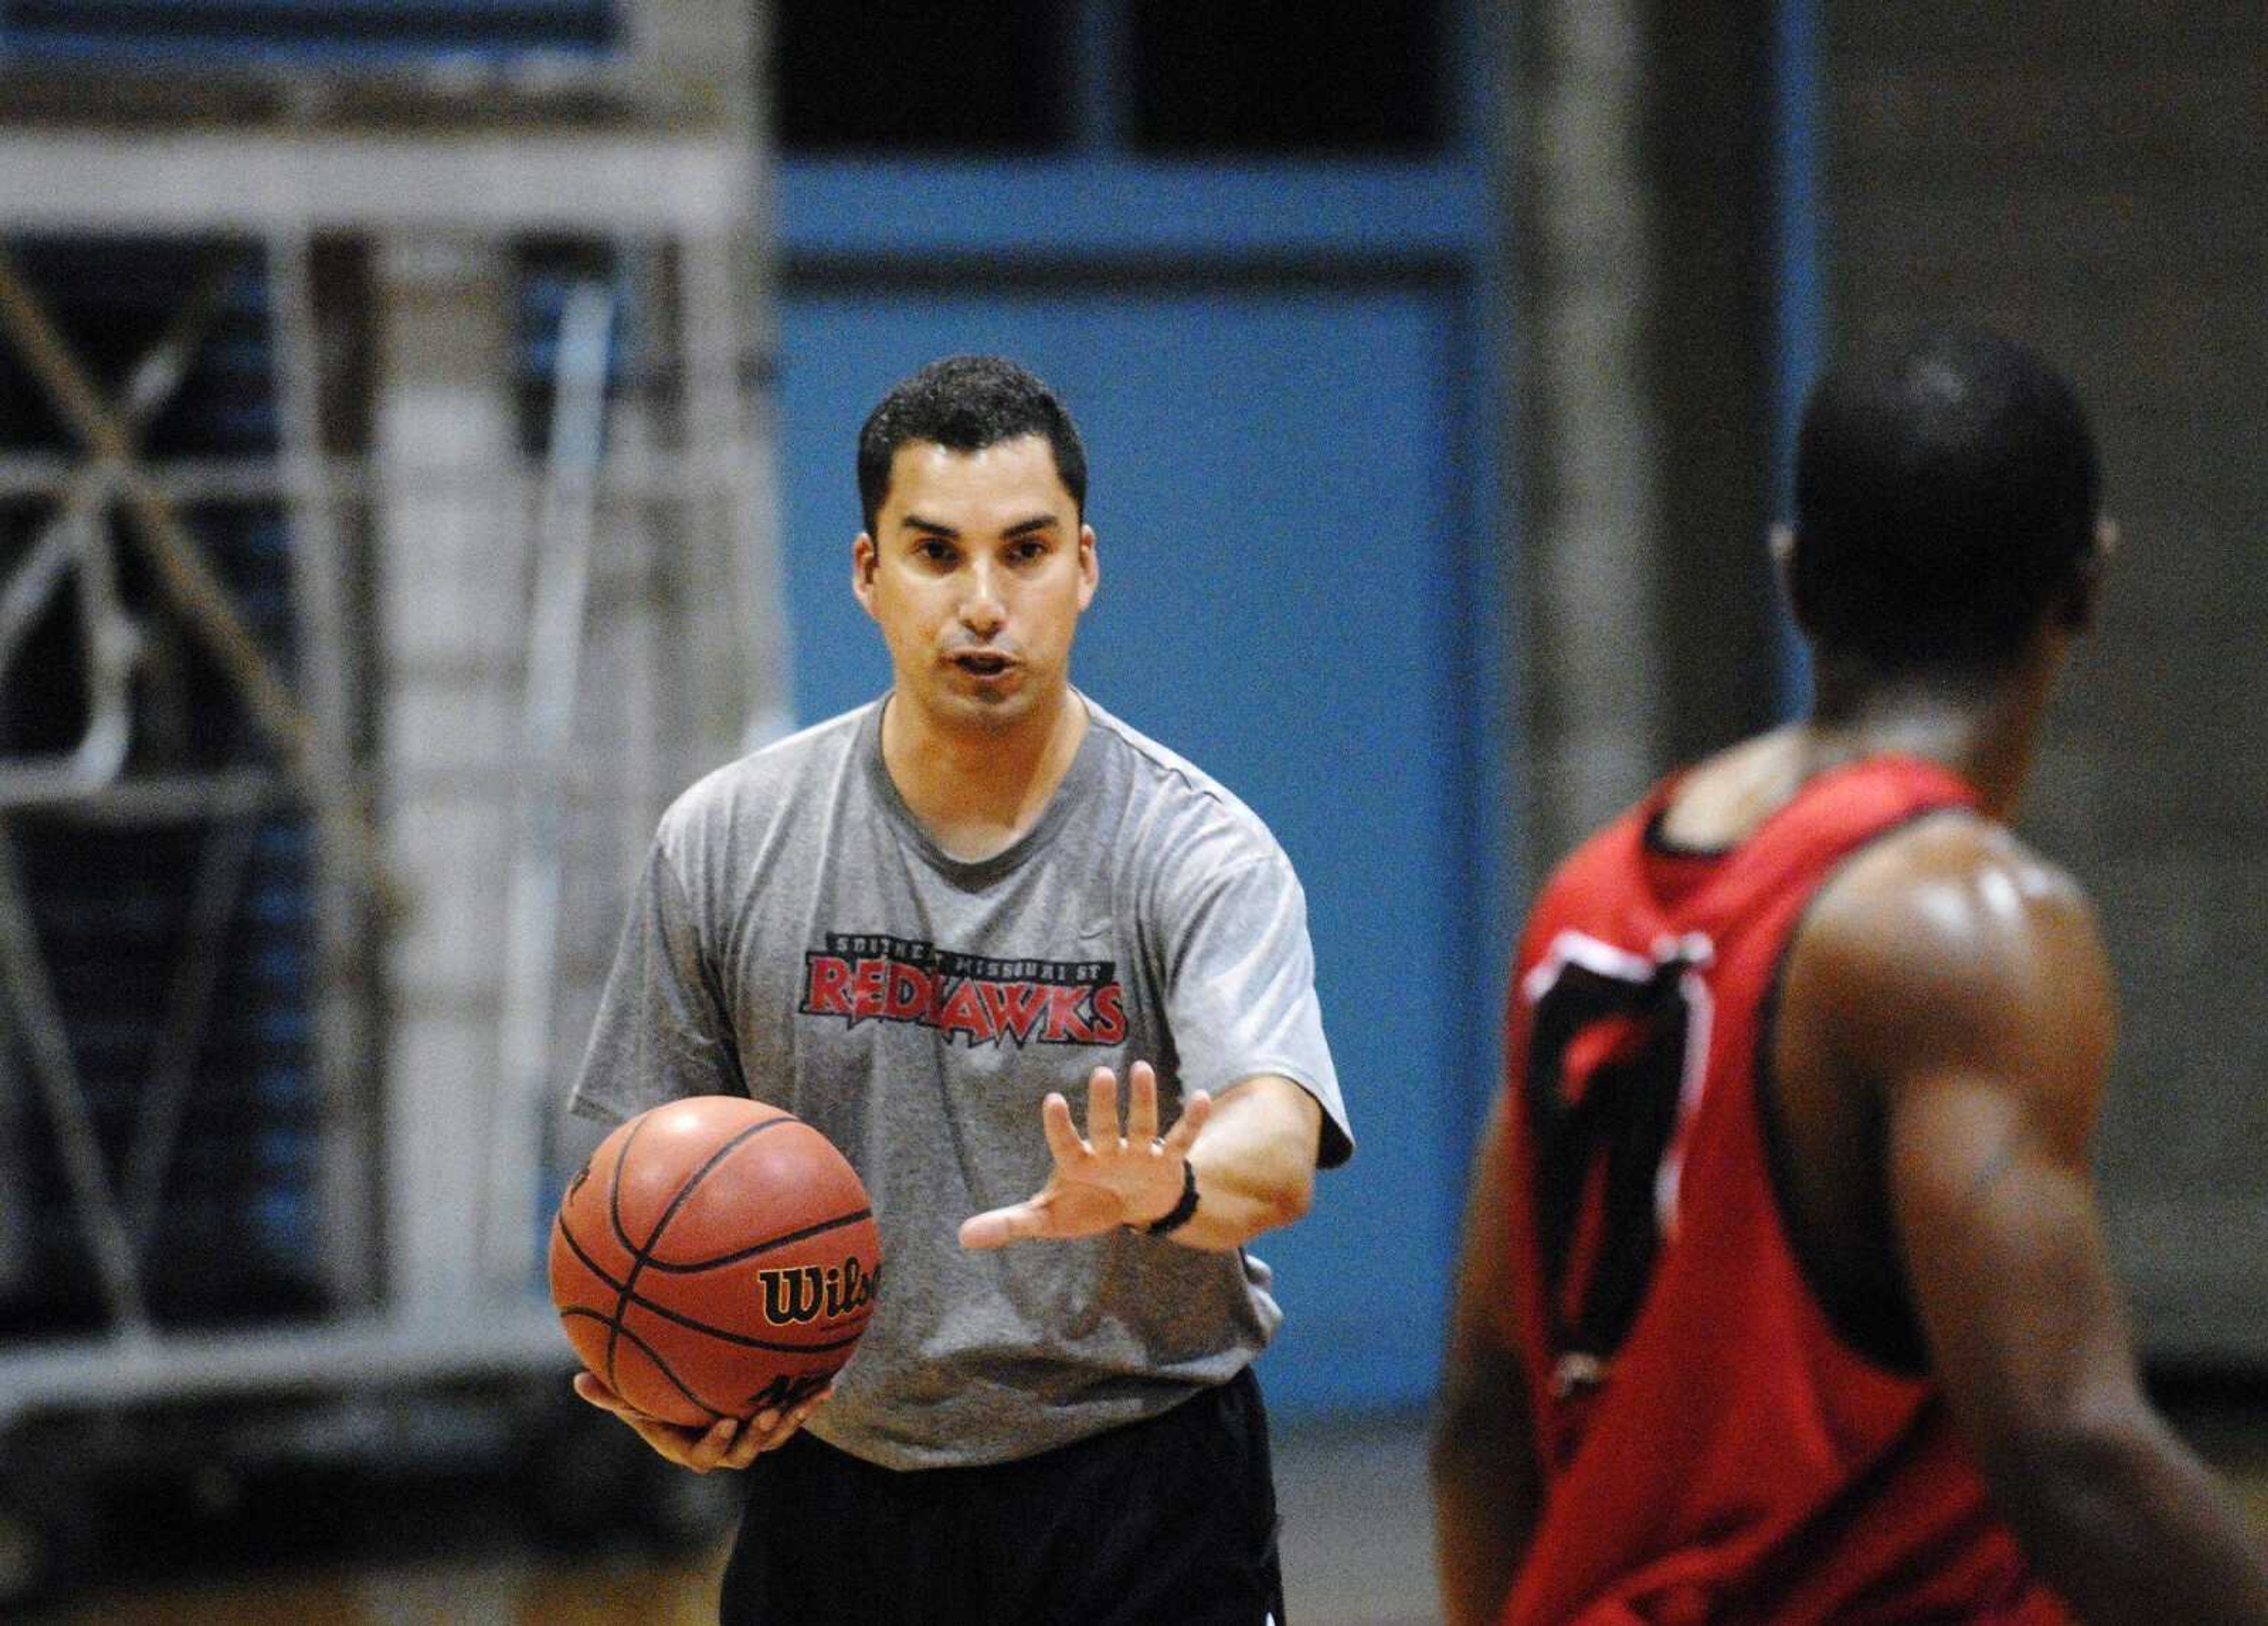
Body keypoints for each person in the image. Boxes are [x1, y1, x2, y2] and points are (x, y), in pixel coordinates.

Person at [1431, 325, 2268, 1624]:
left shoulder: (1588, 897)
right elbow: (2071, 1454)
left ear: (1796, 581)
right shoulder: (1964, 923)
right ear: (2086, 583)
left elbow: (1482, 1420)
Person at [566, 354, 1353, 1625]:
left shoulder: (1194, 850)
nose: (984, 603)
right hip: (837, 1487)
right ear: (869, 574)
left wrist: (1173, 1188)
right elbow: (645, 1171)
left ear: (1084, 568)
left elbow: (1278, 1138)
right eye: (937, 554)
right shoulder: (727, 840)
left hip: (1135, 1489)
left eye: (1026, 552)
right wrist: (669, 1378)